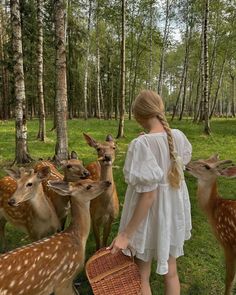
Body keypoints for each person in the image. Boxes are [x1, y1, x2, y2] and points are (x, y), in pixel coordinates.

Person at [108, 90, 192, 295]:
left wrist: (126, 234)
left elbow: (149, 195)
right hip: (171, 217)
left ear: (138, 117)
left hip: (146, 219)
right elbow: (173, 158)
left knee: (141, 275)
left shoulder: (141, 145)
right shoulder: (178, 137)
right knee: (171, 272)